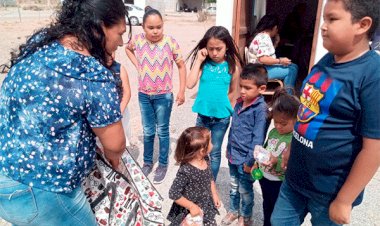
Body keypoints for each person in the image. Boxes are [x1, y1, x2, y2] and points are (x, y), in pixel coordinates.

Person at [0, 0, 129, 225]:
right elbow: (115, 145)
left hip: (5, 178)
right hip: (45, 193)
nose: (121, 42)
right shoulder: (91, 74)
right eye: (119, 33)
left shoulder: (39, 44)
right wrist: (114, 161)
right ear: (99, 27)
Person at [271, 0, 380, 225]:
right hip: (295, 179)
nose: (323, 26)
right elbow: (307, 112)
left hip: (330, 190)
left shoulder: (372, 75)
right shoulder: (326, 60)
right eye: (324, 19)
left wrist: (344, 200)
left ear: (362, 25)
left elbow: (374, 148)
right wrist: (292, 147)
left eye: (332, 19)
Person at [125, 7, 186, 184]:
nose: (155, 31)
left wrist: (182, 90)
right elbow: (128, 49)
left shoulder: (170, 42)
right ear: (143, 27)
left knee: (162, 131)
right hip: (144, 95)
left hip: (164, 96)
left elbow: (181, 65)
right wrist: (138, 65)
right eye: (151, 27)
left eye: (158, 27)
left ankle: (163, 164)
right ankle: (148, 162)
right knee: (148, 131)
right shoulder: (137, 40)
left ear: (163, 25)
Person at [187, 26, 244, 180]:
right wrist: (198, 59)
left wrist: (229, 111)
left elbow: (234, 92)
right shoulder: (204, 64)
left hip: (221, 118)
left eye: (218, 49)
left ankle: (211, 184)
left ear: (227, 46)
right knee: (199, 149)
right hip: (203, 115)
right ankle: (200, 179)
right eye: (210, 48)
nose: (214, 53)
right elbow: (190, 83)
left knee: (215, 151)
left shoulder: (232, 67)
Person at [222, 63, 268, 226]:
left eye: (247, 88)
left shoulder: (260, 109)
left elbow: (257, 139)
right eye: (241, 86)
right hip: (233, 155)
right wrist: (228, 151)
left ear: (261, 89)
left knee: (245, 190)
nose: (242, 91)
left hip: (246, 160)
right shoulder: (240, 103)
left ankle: (246, 217)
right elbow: (234, 129)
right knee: (234, 187)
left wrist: (250, 162)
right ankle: (234, 211)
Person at [253, 88, 299, 226]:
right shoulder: (274, 132)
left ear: (296, 120)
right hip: (265, 178)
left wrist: (276, 161)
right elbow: (267, 147)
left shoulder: (294, 138)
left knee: (278, 211)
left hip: (280, 181)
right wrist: (258, 161)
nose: (278, 126)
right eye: (275, 122)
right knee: (267, 205)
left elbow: (292, 163)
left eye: (283, 123)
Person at [167, 127, 221, 225]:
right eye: (210, 142)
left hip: (205, 205)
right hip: (189, 211)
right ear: (202, 150)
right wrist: (192, 207)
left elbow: (210, 176)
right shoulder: (186, 170)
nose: (212, 144)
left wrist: (214, 194)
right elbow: (173, 193)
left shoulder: (205, 158)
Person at [247, 14, 298, 91]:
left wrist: (276, 43)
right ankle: (288, 95)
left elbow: (267, 54)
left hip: (260, 68)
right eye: (277, 29)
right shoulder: (264, 37)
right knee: (292, 70)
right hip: (260, 71)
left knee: (293, 66)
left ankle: (287, 93)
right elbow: (263, 59)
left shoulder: (261, 36)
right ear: (274, 27)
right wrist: (280, 61)